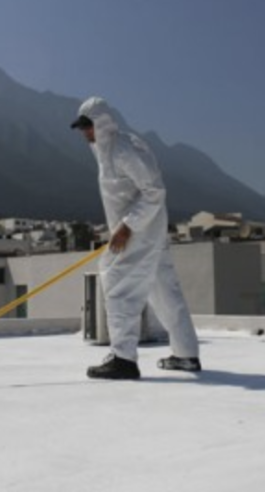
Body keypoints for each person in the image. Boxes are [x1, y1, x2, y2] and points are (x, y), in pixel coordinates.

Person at [71, 96, 201, 380]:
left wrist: (127, 226)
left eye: (87, 126)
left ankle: (123, 359)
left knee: (118, 285)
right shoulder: (107, 150)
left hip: (138, 231)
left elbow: (154, 190)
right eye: (82, 127)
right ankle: (186, 354)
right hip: (148, 230)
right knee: (164, 289)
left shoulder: (123, 150)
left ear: (101, 124)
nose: (84, 132)